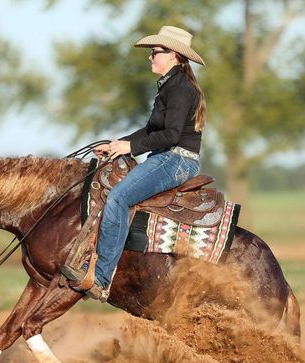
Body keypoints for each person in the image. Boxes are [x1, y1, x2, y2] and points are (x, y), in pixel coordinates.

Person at [61, 25, 207, 300]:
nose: (150, 57)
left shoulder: (180, 89)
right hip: (165, 156)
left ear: (173, 55)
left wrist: (131, 146)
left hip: (177, 159)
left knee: (117, 198)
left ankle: (101, 277)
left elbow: (171, 135)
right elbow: (151, 131)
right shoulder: (169, 86)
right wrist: (118, 145)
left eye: (155, 52)